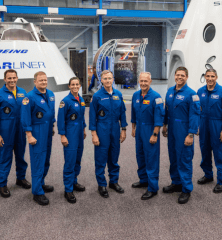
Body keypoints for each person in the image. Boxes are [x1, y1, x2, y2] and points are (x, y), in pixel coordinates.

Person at [0, 69, 31, 198]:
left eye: (14, 78)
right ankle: (2, 184)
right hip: (6, 129)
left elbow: (26, 111)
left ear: (17, 78)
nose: (12, 80)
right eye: (9, 78)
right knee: (5, 157)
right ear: (5, 79)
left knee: (20, 156)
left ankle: (21, 178)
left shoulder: (22, 92)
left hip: (20, 129)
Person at [162, 66, 200, 204]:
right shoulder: (170, 92)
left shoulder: (192, 94)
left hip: (184, 129)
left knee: (184, 158)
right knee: (173, 157)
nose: (179, 77)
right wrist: (165, 125)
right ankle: (176, 182)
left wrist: (191, 133)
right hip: (172, 128)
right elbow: (166, 110)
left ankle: (186, 188)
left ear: (187, 77)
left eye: (182, 75)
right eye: (177, 75)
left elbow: (195, 115)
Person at [89, 70, 128, 198]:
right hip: (102, 128)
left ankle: (113, 182)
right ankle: (101, 184)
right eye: (105, 78)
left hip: (115, 128)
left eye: (109, 78)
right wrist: (94, 134)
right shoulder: (97, 96)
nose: (107, 80)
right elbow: (92, 116)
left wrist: (123, 129)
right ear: (101, 80)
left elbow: (122, 113)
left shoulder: (118, 94)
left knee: (114, 157)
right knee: (101, 157)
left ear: (113, 79)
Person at [21, 71, 56, 206]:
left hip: (47, 130)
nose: (44, 82)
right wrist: (29, 135)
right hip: (36, 131)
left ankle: (41, 183)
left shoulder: (51, 95)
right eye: (41, 80)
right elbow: (25, 118)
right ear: (35, 81)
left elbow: (51, 113)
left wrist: (52, 127)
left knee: (46, 159)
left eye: (45, 80)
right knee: (37, 161)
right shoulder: (28, 97)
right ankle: (37, 192)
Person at [196, 69, 222, 194]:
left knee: (220, 153)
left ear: (216, 77)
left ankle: (221, 181)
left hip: (217, 125)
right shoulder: (200, 91)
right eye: (208, 76)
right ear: (205, 77)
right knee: (205, 151)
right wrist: (197, 125)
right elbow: (196, 110)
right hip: (204, 125)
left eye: (212, 76)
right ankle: (208, 175)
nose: (210, 78)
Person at [131, 72, 164, 200]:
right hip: (139, 129)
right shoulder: (135, 95)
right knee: (140, 155)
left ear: (150, 82)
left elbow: (159, 118)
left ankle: (152, 187)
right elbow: (133, 113)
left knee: (151, 158)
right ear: (139, 81)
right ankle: (143, 180)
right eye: (141, 81)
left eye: (146, 81)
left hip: (150, 129)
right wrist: (134, 128)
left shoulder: (156, 97)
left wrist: (155, 134)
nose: (143, 83)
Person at [57, 77, 87, 204]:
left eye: (77, 84)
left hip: (80, 133)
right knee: (69, 161)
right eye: (72, 84)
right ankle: (68, 190)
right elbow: (60, 120)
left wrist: (84, 129)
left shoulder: (81, 100)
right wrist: (62, 135)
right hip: (70, 134)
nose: (75, 86)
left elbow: (81, 117)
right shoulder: (65, 101)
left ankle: (74, 182)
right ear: (69, 86)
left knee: (77, 159)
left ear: (79, 85)